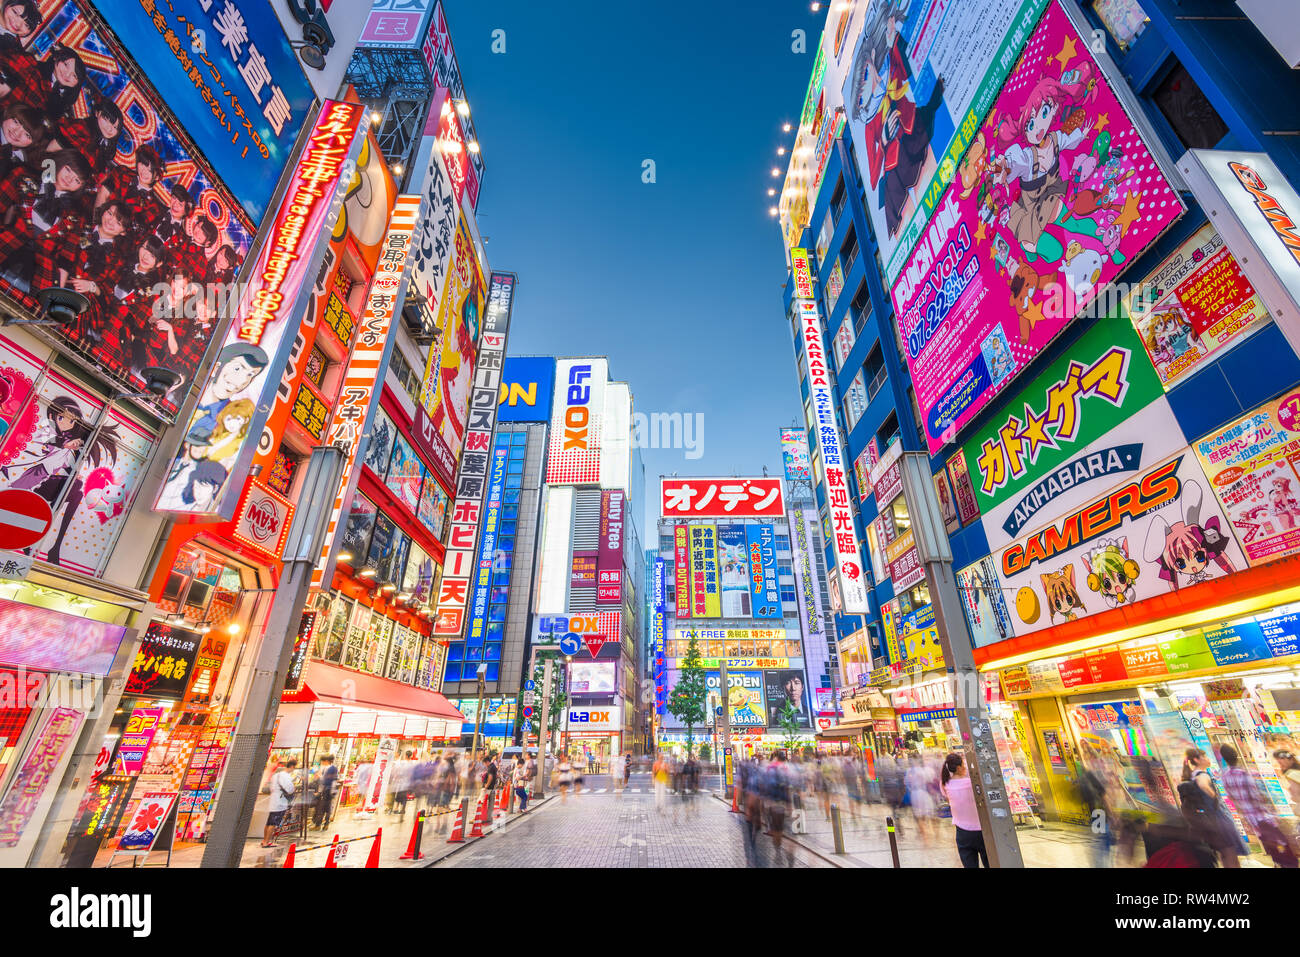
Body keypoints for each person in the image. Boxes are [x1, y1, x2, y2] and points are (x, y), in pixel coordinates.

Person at [1219, 744, 1298, 867]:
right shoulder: (1244, 774)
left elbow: (1232, 799)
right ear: (1236, 756)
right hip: (1264, 818)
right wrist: (1273, 811)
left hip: (1252, 821)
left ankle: (1280, 863)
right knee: (1284, 849)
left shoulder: (1225, 777)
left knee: (1273, 849)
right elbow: (1256, 797)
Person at [1178, 748, 1239, 868]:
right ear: (1197, 760)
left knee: (1225, 854)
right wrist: (1215, 797)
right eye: (1204, 757)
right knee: (1230, 855)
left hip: (1209, 821)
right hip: (1218, 819)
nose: (1208, 759)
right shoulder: (1202, 774)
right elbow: (1203, 784)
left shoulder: (1191, 776)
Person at [940, 752, 987, 868]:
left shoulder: (945, 784)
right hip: (982, 831)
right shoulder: (973, 783)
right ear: (959, 768)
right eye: (963, 765)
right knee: (990, 863)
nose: (965, 767)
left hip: (962, 833)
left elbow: (946, 797)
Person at [264, 759, 297, 847]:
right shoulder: (286, 776)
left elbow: (271, 787)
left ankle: (264, 841)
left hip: (274, 800)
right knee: (273, 823)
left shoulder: (276, 775)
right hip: (280, 802)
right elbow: (289, 789)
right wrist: (294, 788)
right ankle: (266, 842)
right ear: (292, 767)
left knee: (269, 822)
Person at [312, 755, 336, 829]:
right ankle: (325, 824)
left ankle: (318, 825)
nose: (321, 763)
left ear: (326, 761)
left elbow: (326, 781)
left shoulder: (329, 769)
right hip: (329, 791)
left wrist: (319, 777)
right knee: (327, 808)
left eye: (322, 761)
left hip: (326, 791)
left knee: (321, 808)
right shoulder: (331, 768)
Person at [1275, 750, 1300, 815]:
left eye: (1281, 764)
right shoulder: (1291, 773)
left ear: (1291, 759)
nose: (1280, 767)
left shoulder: (1293, 774)